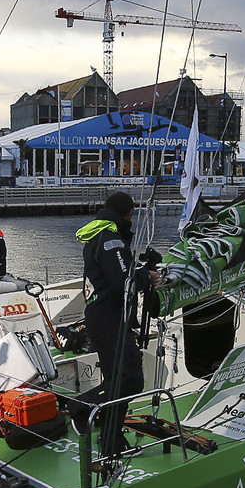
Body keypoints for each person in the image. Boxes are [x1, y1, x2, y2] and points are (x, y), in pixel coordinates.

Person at [77, 190, 158, 457]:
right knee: (131, 380)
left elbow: (116, 274)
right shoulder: (111, 240)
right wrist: (147, 275)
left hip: (101, 317)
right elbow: (124, 283)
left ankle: (111, 443)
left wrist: (139, 271)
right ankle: (83, 407)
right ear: (129, 213)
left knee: (117, 380)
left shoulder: (98, 235)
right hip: (110, 318)